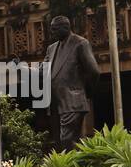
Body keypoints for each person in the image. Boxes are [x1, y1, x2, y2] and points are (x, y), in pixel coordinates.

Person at [42, 15, 100, 150]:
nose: (52, 32)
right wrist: (21, 67)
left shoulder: (80, 43)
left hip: (73, 100)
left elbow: (94, 71)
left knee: (67, 139)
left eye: (54, 29)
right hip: (57, 102)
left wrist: (86, 92)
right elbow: (42, 70)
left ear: (66, 28)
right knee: (64, 141)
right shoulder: (52, 48)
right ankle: (79, 165)